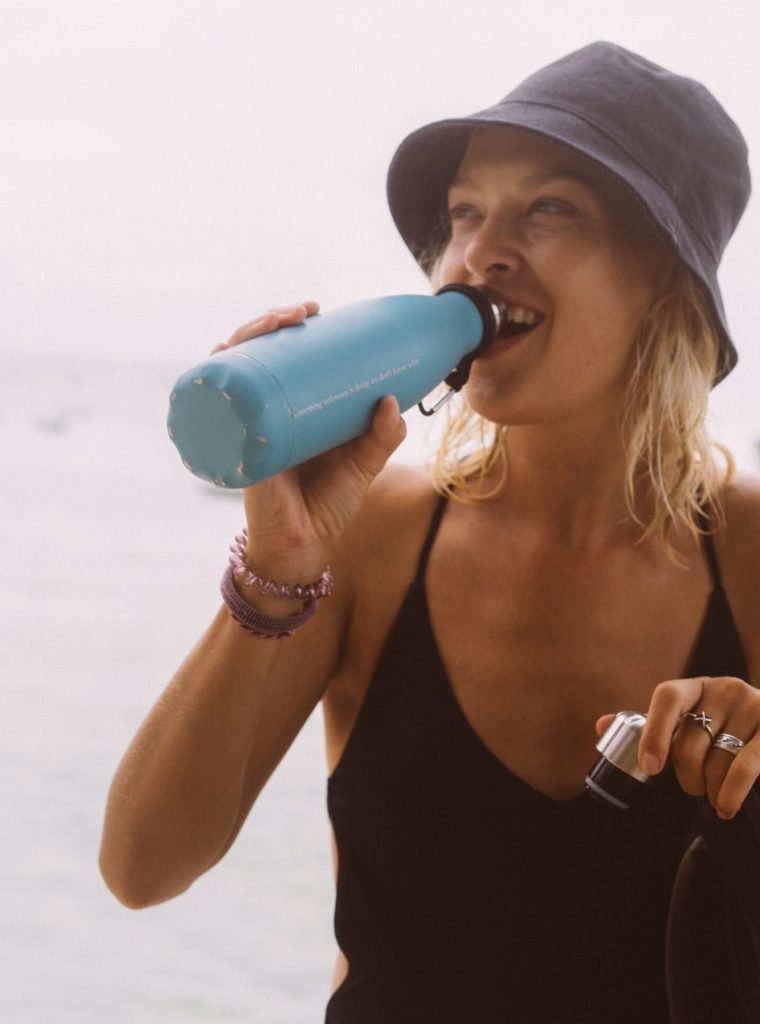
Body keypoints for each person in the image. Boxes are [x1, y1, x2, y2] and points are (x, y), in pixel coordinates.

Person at [100, 42, 760, 1022]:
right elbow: (143, 867)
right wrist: (277, 570)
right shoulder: (373, 536)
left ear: (664, 277)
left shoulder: (748, 553)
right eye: (463, 213)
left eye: (549, 207)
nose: (477, 251)